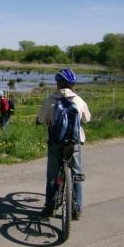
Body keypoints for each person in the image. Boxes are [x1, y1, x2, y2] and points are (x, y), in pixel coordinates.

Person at [37, 68, 91, 220]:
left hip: (55, 142)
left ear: (58, 84)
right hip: (74, 142)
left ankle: (50, 208)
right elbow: (87, 118)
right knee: (76, 175)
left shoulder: (50, 100)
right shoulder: (78, 100)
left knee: (52, 176)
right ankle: (76, 210)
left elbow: (41, 119)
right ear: (73, 84)